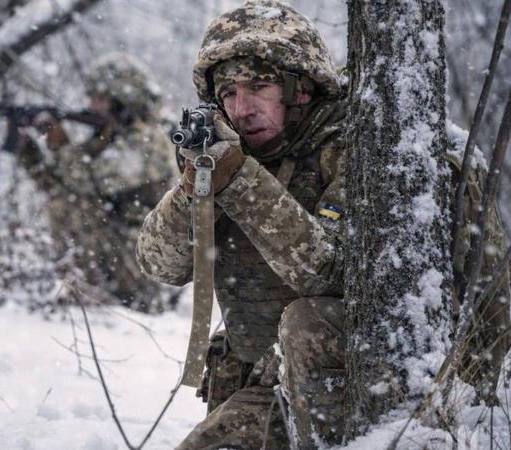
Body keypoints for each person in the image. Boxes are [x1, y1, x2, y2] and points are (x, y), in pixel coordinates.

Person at [136, 1, 510, 448]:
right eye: (229, 93)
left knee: (306, 319)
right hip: (273, 387)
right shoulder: (238, 153)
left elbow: (331, 272)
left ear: (302, 89)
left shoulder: (357, 145)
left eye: (259, 86)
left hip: (381, 387)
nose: (242, 107)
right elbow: (161, 266)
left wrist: (241, 181)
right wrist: (193, 190)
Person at [18, 53, 178, 312]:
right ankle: (84, 288)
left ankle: (98, 292)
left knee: (72, 205)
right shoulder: (114, 137)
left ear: (122, 101)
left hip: (149, 269)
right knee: (65, 201)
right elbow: (61, 185)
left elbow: (86, 182)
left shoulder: (150, 140)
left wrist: (57, 140)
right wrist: (29, 155)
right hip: (125, 254)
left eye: (100, 98)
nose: (92, 105)